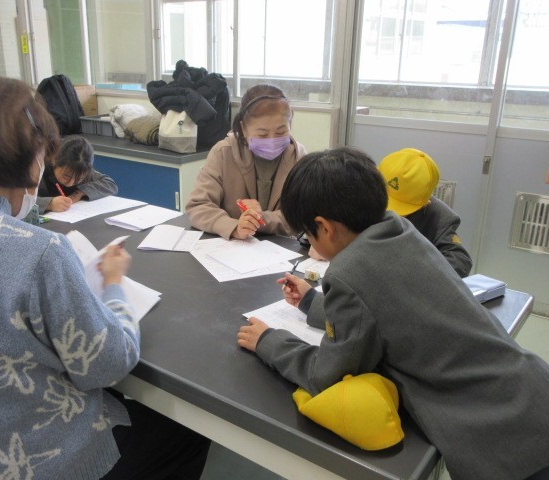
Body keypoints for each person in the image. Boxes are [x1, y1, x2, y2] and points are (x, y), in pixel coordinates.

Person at [0, 76, 209, 480]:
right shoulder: (37, 251)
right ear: (32, 157)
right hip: (46, 462)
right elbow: (109, 364)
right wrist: (114, 285)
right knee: (186, 432)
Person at [237, 147, 549, 480]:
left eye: (308, 234)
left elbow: (326, 374)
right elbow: (384, 306)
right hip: (532, 393)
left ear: (324, 228)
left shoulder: (348, 272)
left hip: (502, 440)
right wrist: (311, 301)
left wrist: (270, 342)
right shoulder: (400, 230)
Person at [306, 147, 472, 277]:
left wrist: (398, 267)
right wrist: (328, 245)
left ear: (425, 202)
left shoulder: (439, 217)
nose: (389, 211)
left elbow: (460, 262)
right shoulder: (363, 196)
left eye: (401, 207)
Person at [186, 84, 307, 240]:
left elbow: (304, 214)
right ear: (243, 128)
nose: (272, 140)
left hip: (281, 247)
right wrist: (233, 227)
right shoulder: (223, 153)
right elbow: (198, 205)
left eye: (281, 132)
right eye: (262, 135)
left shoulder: (299, 158)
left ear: (290, 125)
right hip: (233, 245)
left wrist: (261, 219)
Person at [37, 134, 118, 212]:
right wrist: (50, 204)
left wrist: (80, 192)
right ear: (54, 161)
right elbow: (28, 200)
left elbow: (111, 184)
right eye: (66, 176)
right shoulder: (39, 169)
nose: (70, 183)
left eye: (79, 179)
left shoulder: (82, 170)